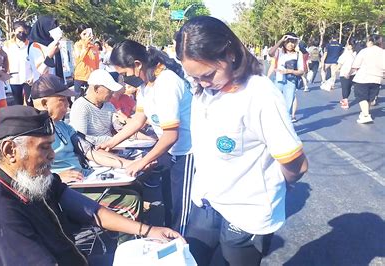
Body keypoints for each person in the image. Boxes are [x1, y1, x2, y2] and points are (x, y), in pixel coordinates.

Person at [0, 105, 183, 264]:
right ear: (10, 151)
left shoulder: (30, 179)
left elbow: (89, 210)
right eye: (44, 147)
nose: (52, 155)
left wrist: (148, 230)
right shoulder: (1, 218)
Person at [175, 16, 308, 265]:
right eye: (194, 77)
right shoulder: (203, 91)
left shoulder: (259, 95)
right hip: (206, 202)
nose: (202, 83)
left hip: (246, 211)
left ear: (230, 54)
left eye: (208, 74)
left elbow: (297, 164)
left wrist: (280, 185)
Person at [99, 40, 194, 236]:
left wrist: (142, 162)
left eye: (124, 74)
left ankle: (183, 250)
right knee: (169, 204)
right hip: (169, 153)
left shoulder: (166, 83)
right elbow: (138, 120)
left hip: (186, 152)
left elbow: (171, 135)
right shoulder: (145, 86)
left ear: (137, 64)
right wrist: (111, 142)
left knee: (181, 211)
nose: (123, 80)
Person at [31, 73, 141, 222]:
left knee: (133, 189)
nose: (67, 106)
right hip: (64, 191)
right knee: (131, 201)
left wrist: (128, 164)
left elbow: (89, 152)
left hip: (84, 179)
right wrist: (55, 178)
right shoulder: (32, 133)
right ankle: (127, 245)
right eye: (62, 101)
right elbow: (25, 171)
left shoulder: (63, 126)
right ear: (44, 103)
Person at [70, 69, 121, 145]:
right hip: (93, 152)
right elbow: (80, 138)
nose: (112, 93)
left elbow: (120, 127)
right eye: (109, 90)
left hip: (112, 146)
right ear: (96, 89)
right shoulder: (81, 106)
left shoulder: (109, 106)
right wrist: (111, 140)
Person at [269, 33, 304, 120]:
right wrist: (280, 40)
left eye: (292, 42)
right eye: (288, 42)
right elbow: (270, 53)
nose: (290, 44)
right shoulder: (279, 52)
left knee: (287, 107)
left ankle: (286, 127)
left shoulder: (298, 54)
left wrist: (289, 71)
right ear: (284, 43)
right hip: (278, 81)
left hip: (290, 82)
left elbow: (301, 71)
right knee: (275, 105)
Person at [350, 35, 384, 124]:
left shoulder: (364, 51)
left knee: (361, 97)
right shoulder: (383, 52)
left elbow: (355, 65)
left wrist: (349, 73)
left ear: (370, 42)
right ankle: (364, 113)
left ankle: (366, 115)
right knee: (369, 98)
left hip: (363, 77)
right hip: (377, 79)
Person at [27, 16, 65, 83]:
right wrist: (50, 55)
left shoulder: (51, 44)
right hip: (43, 86)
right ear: (43, 29)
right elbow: (40, 70)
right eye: (52, 28)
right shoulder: (35, 46)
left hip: (54, 84)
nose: (55, 30)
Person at [3, 21, 32, 105]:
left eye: (23, 32)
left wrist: (33, 76)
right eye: (19, 32)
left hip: (28, 77)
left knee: (29, 102)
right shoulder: (7, 45)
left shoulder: (30, 44)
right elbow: (4, 59)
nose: (21, 34)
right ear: (14, 31)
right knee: (17, 102)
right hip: (14, 77)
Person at [73, 25, 99, 97]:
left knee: (91, 98)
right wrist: (85, 45)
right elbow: (80, 57)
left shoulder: (94, 47)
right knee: (79, 97)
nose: (86, 36)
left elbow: (96, 63)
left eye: (88, 34)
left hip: (92, 77)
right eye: (84, 34)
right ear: (80, 35)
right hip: (81, 77)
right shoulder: (78, 45)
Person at [337, 41, 357, 109]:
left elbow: (340, 63)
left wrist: (335, 71)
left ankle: (345, 101)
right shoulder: (355, 54)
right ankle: (344, 99)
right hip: (353, 73)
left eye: (347, 44)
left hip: (344, 73)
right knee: (348, 87)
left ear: (350, 46)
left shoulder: (345, 54)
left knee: (345, 88)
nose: (346, 45)